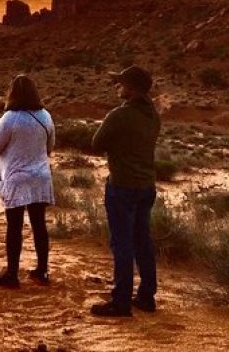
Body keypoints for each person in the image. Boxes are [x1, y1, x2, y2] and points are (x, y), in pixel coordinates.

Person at [90, 65, 160, 317]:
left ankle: (120, 302)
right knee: (143, 241)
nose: (117, 87)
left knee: (122, 243)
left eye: (120, 83)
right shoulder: (153, 115)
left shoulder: (118, 115)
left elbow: (96, 144)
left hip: (122, 185)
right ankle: (146, 296)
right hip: (147, 186)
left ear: (130, 88)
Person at [0, 75, 56, 288]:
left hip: (16, 178)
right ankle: (42, 271)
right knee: (39, 225)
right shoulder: (45, 116)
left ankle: (12, 274)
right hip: (40, 177)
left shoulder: (9, 118)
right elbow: (50, 146)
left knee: (14, 226)